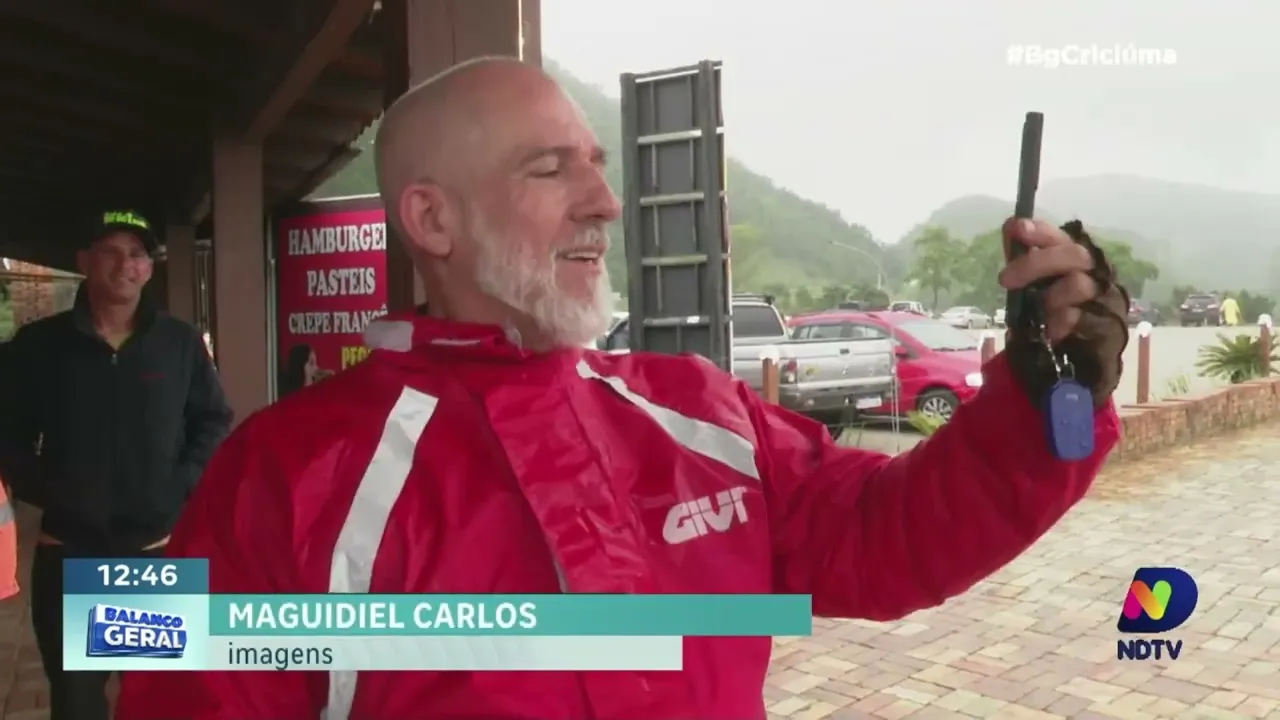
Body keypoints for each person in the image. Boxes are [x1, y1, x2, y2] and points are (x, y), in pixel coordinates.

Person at [117, 59, 1129, 720]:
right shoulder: (281, 476)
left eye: (597, 169)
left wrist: (1044, 402)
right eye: (550, 170)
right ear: (431, 219)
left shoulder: (697, 408)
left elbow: (884, 533)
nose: (604, 202)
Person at [0, 210, 233, 720]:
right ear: (84, 261)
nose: (126, 264)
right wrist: (55, 490)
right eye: (112, 250)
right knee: (78, 706)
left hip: (154, 556)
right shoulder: (40, 348)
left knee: (159, 703)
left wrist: (180, 485)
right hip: (71, 558)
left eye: (138, 254)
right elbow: (7, 436)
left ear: (149, 269)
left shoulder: (179, 344)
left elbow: (213, 421)